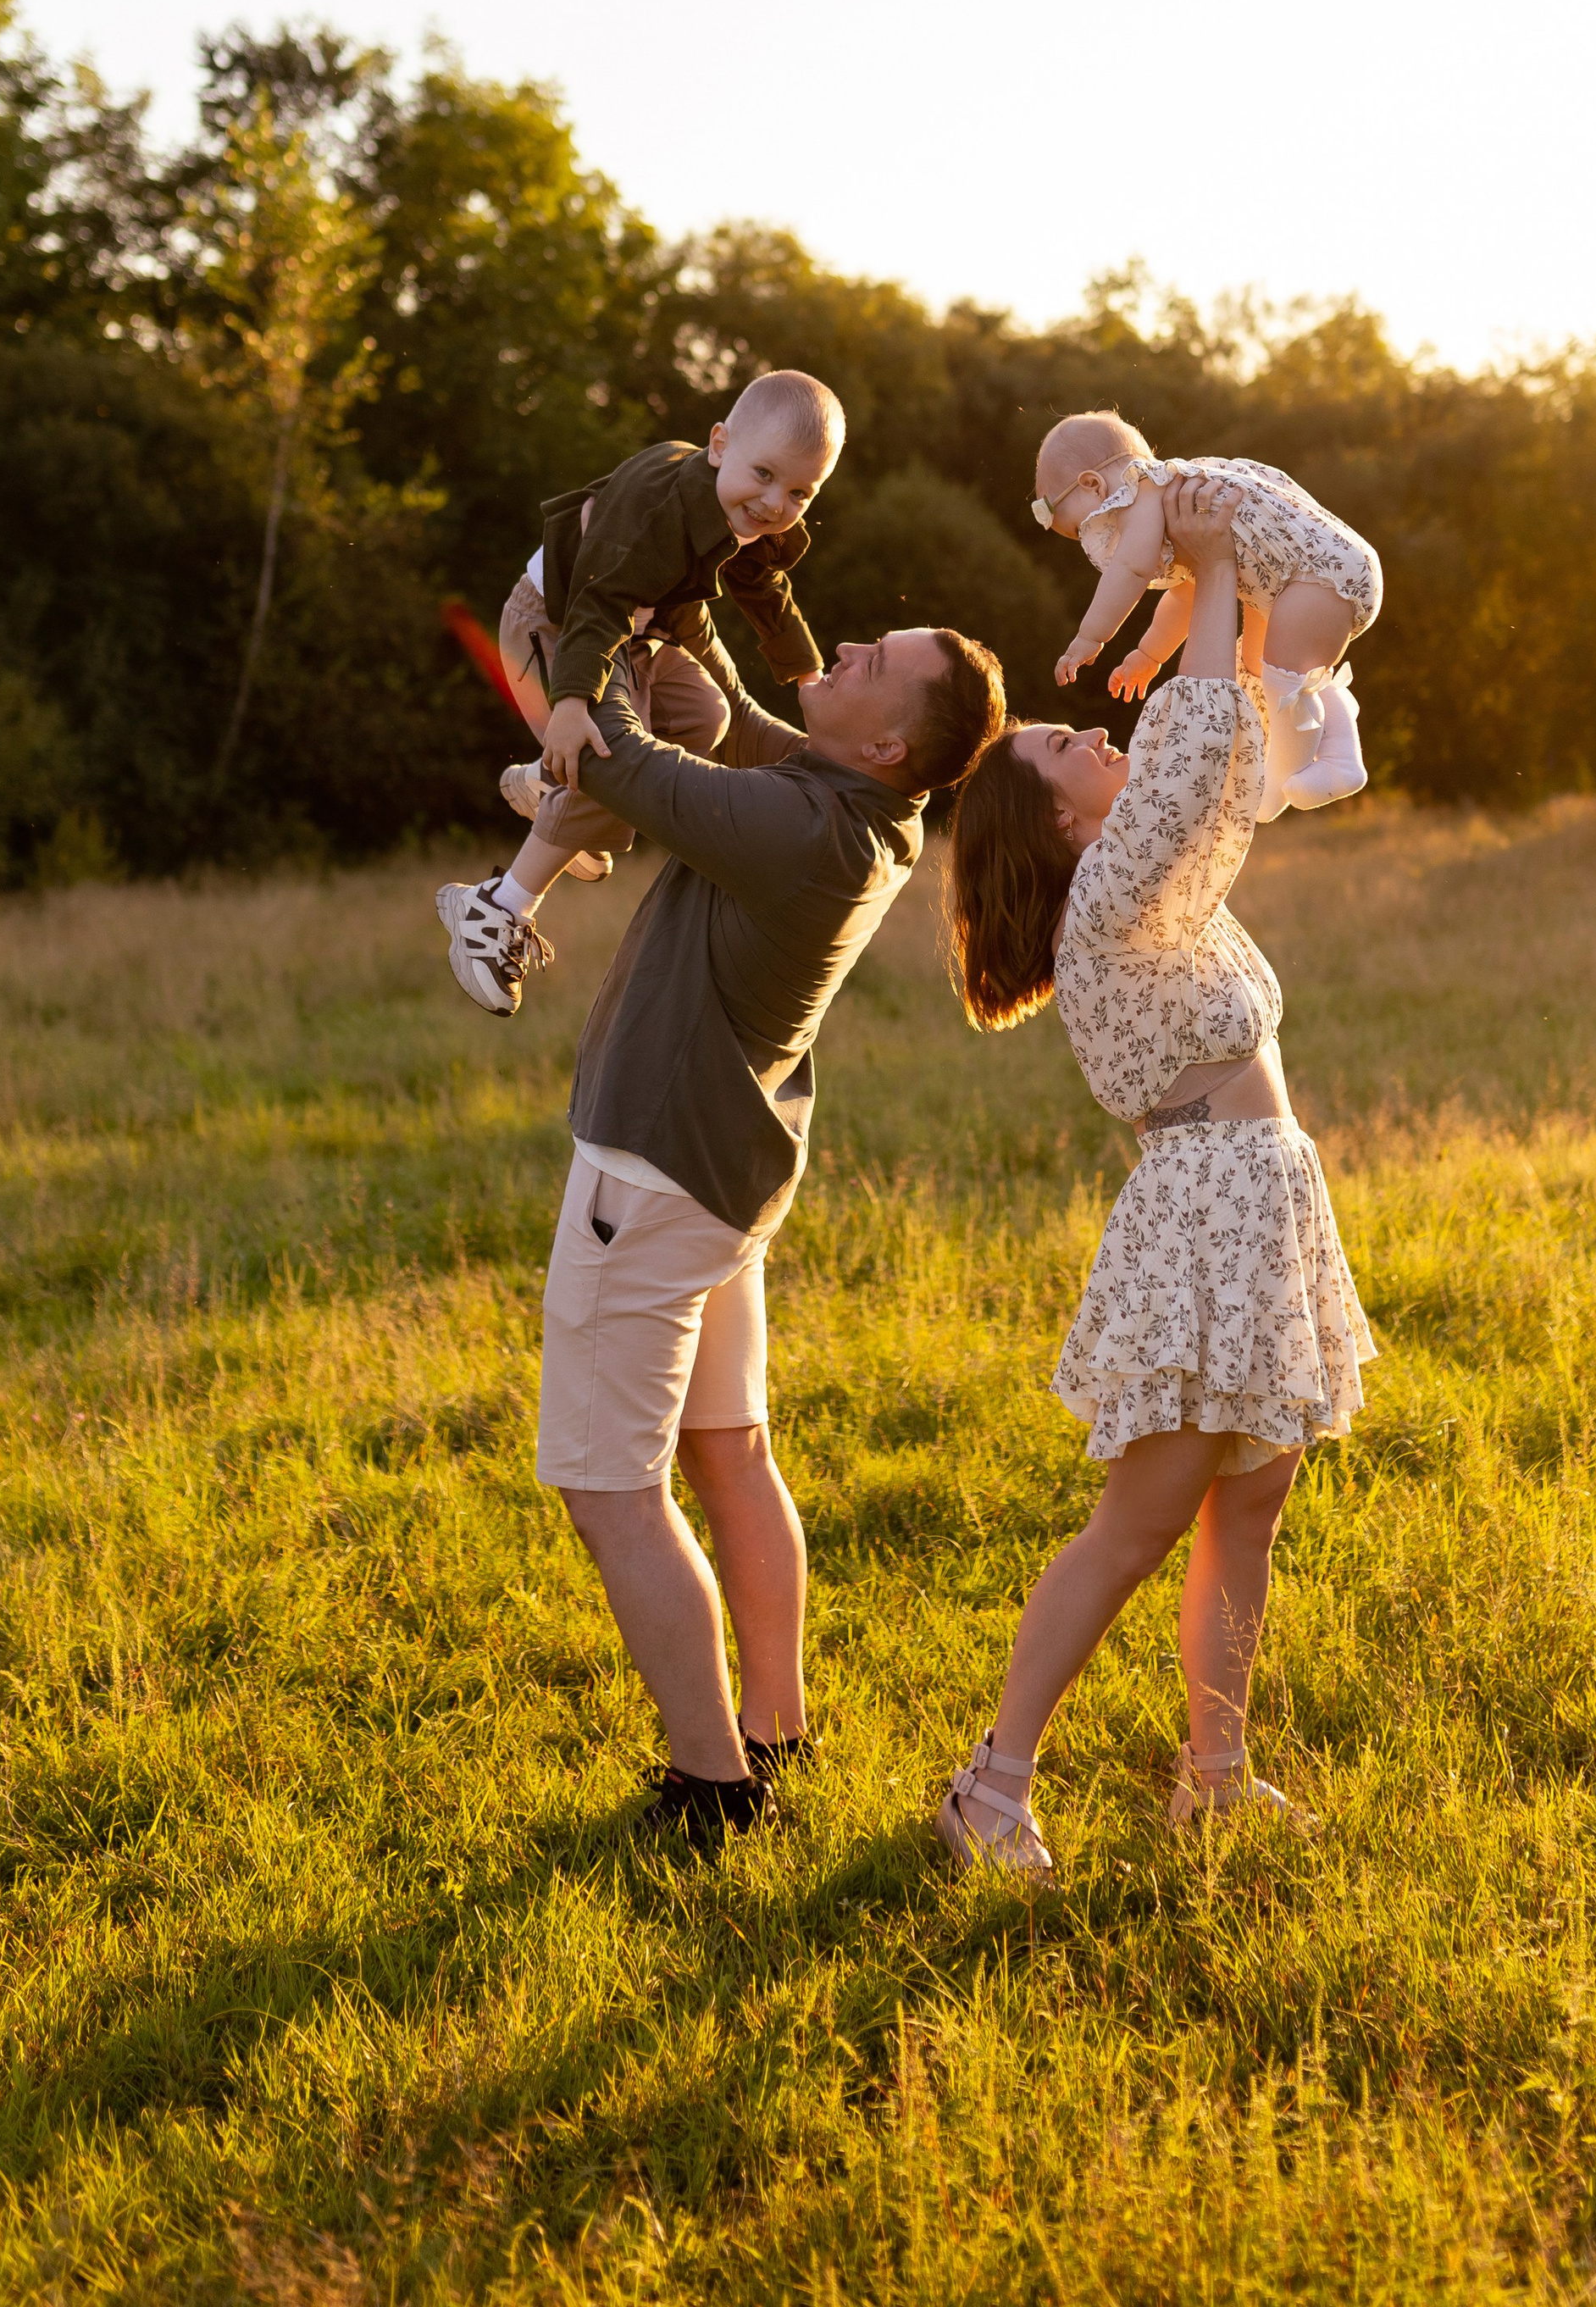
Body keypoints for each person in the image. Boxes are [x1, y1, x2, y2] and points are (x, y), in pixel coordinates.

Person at [939, 476, 1374, 1880]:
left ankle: (1217, 1780)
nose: (1096, 740)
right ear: (1059, 824)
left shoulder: (1158, 890)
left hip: (1264, 1207)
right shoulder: (1111, 900)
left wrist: (1222, 602)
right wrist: (1212, 579)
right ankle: (990, 1791)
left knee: (1248, 1506)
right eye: (1071, 745)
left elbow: (1227, 765)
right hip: (1205, 1222)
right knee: (1138, 1524)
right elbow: (1191, 756)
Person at [540, 609, 1004, 1849]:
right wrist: (703, 638)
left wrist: (586, 663)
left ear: (896, 744)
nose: (843, 655)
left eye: (871, 664)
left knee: (611, 1489)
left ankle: (715, 1791)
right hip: (720, 1183)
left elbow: (616, 761)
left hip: (646, 1184)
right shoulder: (855, 813)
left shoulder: (803, 834)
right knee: (729, 1450)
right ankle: (778, 1726)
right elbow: (752, 732)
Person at [438, 372, 845, 1014]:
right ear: (719, 445)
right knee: (608, 757)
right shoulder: (659, 509)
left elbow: (765, 589)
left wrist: (809, 677)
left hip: (642, 634)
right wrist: (570, 706)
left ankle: (551, 789)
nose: (774, 503)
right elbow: (597, 604)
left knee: (709, 714)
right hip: (556, 625)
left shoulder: (745, 509)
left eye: (799, 491)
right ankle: (494, 907)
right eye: (764, 474)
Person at [1030, 411, 1383, 818]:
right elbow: (1187, 594)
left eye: (1078, 530)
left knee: (1281, 672)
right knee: (1258, 663)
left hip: (1317, 575)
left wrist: (1090, 637)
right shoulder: (1176, 498)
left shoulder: (1141, 491)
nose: (1087, 542)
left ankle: (1288, 775)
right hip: (1294, 581)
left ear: (1093, 485)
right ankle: (1341, 755)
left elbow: (1132, 568)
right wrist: (1150, 654)